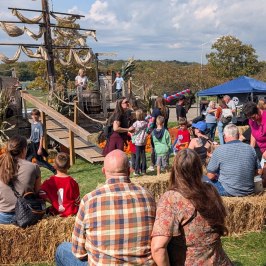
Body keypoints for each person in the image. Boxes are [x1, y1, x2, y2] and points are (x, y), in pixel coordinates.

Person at [55, 149, 156, 266]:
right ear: (129, 171)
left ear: (103, 171)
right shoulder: (148, 196)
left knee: (62, 250)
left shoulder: (90, 200)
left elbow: (78, 252)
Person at [151, 149, 232, 266]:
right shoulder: (211, 190)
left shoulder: (172, 198)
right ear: (199, 168)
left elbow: (158, 248)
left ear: (175, 170)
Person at [206, 124, 261, 196]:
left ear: (224, 137)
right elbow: (259, 171)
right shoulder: (250, 149)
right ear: (238, 135)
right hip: (248, 190)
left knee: (202, 181)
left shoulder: (220, 150)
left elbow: (210, 176)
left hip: (228, 190)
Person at [0, 135, 41, 224]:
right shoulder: (33, 167)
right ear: (24, 150)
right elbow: (37, 192)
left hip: (2, 216)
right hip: (26, 215)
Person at [39, 153, 80, 217]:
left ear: (54, 166)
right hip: (71, 213)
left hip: (55, 212)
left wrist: (53, 201)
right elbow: (77, 201)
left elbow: (40, 192)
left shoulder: (50, 181)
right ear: (69, 166)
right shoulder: (72, 182)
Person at [26, 108, 55, 173]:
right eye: (33, 115)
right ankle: (28, 171)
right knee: (27, 158)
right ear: (31, 116)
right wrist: (29, 139)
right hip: (32, 143)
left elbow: (41, 137)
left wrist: (40, 148)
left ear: (39, 116)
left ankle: (54, 170)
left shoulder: (40, 125)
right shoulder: (32, 124)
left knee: (40, 161)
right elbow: (32, 133)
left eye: (36, 115)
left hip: (37, 144)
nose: (34, 116)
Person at [148, 96, 169, 171]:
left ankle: (152, 164)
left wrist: (148, 130)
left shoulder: (155, 110)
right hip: (165, 130)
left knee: (154, 148)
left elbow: (152, 121)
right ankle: (165, 164)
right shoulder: (167, 109)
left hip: (155, 130)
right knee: (164, 146)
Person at [132, 109, 148, 176]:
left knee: (138, 156)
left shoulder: (135, 123)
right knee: (143, 155)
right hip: (143, 140)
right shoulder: (145, 123)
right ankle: (143, 170)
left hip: (137, 141)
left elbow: (131, 130)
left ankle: (137, 170)